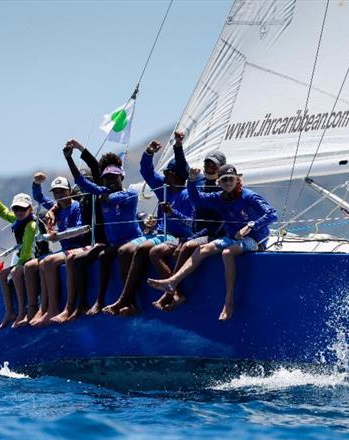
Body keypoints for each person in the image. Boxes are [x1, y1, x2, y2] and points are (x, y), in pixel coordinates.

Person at [148, 164, 277, 320]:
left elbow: (272, 214)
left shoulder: (249, 196)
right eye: (224, 180)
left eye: (231, 179)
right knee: (203, 249)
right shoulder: (219, 198)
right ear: (219, 183)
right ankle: (172, 282)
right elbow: (197, 200)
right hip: (233, 237)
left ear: (237, 179)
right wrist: (191, 180)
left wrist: (251, 225)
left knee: (227, 253)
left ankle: (228, 302)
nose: (228, 182)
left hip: (256, 239)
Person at [101, 131, 191, 316]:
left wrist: (172, 213)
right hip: (160, 235)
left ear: (174, 175)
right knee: (124, 250)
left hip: (177, 237)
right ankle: (130, 302)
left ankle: (170, 293)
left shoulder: (189, 194)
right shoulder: (163, 188)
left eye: (166, 173)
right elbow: (147, 171)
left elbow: (191, 225)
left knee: (144, 250)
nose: (163, 176)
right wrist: (149, 153)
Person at [63, 143, 141, 316]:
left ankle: (131, 302)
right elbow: (80, 181)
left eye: (114, 177)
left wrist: (100, 192)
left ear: (122, 177)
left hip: (133, 240)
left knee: (122, 252)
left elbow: (112, 198)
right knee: (101, 256)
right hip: (113, 243)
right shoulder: (103, 191)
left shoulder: (130, 194)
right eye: (107, 178)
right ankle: (96, 302)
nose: (111, 181)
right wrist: (69, 158)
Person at [150, 147, 227, 311]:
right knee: (179, 249)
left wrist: (191, 238)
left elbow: (215, 225)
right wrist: (178, 146)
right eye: (207, 163)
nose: (209, 167)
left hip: (215, 233)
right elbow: (183, 166)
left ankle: (170, 290)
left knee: (186, 246)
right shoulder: (200, 184)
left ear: (221, 168)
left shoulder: (222, 188)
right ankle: (173, 290)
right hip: (200, 232)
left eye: (214, 165)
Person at [0, 179, 49, 328]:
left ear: (30, 209)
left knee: (17, 272)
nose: (19, 212)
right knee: (2, 274)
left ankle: (24, 311)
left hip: (38, 258)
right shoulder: (16, 219)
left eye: (23, 209)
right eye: (16, 209)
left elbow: (26, 252)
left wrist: (18, 266)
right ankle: (10, 311)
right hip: (26, 260)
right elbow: (2, 211)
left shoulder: (32, 225)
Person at [29, 173, 88, 327]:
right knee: (41, 263)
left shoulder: (76, 206)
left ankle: (54, 309)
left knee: (48, 261)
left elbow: (80, 230)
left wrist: (58, 235)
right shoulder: (57, 207)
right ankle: (44, 308)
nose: (59, 195)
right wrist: (36, 183)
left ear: (69, 191)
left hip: (80, 247)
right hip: (67, 249)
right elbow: (39, 197)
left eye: (62, 191)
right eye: (56, 192)